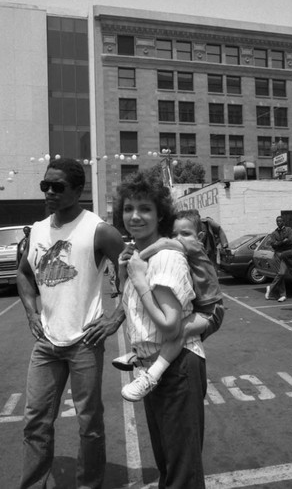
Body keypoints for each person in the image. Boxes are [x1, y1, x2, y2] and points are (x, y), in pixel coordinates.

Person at [17, 158, 125, 489]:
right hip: (47, 342)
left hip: (85, 342)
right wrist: (31, 312)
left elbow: (133, 272)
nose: (49, 192)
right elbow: (24, 273)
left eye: (58, 186)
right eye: (45, 185)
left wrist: (115, 317)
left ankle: (88, 484)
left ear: (78, 190)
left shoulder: (99, 230)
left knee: (89, 423)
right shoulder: (36, 230)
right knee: (35, 420)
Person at [113, 170, 208, 489]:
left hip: (177, 368)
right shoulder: (139, 256)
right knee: (168, 466)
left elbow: (169, 326)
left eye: (145, 208)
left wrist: (139, 281)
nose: (135, 216)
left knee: (182, 473)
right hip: (153, 368)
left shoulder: (166, 258)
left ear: (160, 214)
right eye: (128, 208)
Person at [114, 209, 224, 402]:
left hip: (211, 311)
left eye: (185, 233)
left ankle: (152, 375)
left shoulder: (193, 247)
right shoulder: (183, 252)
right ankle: (138, 356)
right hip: (200, 308)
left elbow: (163, 243)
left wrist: (138, 257)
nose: (179, 239)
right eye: (174, 234)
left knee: (180, 330)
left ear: (199, 237)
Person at [265, 216, 292, 302]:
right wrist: (283, 241)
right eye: (277, 221)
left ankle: (270, 287)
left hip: (286, 254)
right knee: (279, 273)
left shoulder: (289, 230)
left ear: (283, 222)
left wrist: (280, 243)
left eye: (280, 221)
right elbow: (273, 244)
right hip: (277, 254)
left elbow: (291, 241)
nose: (279, 222)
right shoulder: (274, 233)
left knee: (282, 273)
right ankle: (282, 295)